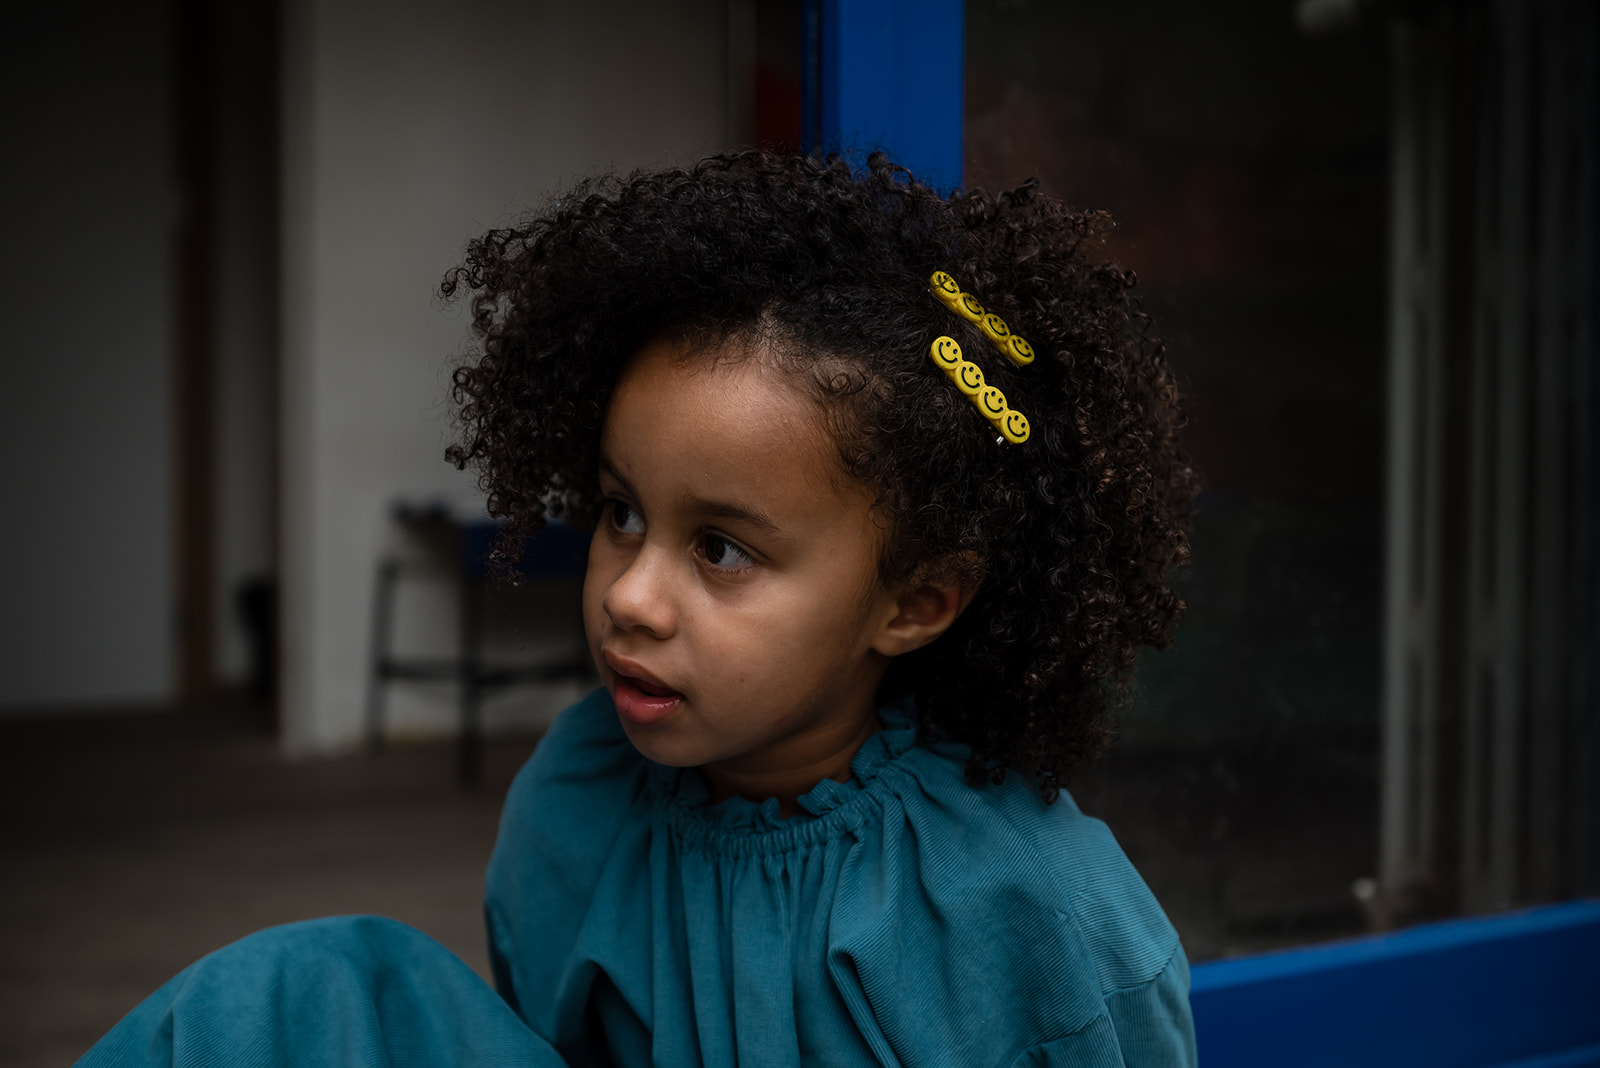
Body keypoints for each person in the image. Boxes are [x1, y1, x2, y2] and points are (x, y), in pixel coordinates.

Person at [79, 152, 1198, 1067]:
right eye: (621, 514)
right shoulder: (576, 801)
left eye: (721, 549)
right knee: (300, 1000)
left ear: (915, 603)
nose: (628, 594)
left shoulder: (1033, 917)